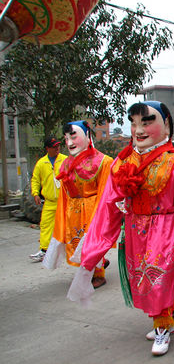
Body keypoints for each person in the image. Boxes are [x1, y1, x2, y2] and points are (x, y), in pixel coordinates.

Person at [67, 101, 174, 357]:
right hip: (135, 231)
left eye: (147, 122)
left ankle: (161, 325)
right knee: (142, 280)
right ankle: (164, 320)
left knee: (158, 278)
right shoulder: (122, 163)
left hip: (167, 232)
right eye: (134, 123)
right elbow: (108, 207)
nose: (138, 129)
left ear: (166, 123)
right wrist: (95, 246)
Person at [42, 121, 113, 289]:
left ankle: (99, 273)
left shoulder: (104, 162)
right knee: (76, 243)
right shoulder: (66, 164)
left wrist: (100, 216)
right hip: (73, 210)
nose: (70, 143)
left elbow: (105, 193)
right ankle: (88, 267)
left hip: (92, 208)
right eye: (66, 138)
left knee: (92, 241)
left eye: (73, 137)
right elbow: (64, 194)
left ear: (88, 136)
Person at [29, 136, 67, 262]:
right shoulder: (41, 163)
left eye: (58, 146)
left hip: (65, 200)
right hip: (50, 201)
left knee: (70, 224)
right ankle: (44, 250)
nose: (57, 148)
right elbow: (35, 179)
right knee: (45, 225)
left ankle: (71, 248)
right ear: (47, 148)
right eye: (54, 147)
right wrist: (35, 193)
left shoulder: (65, 160)